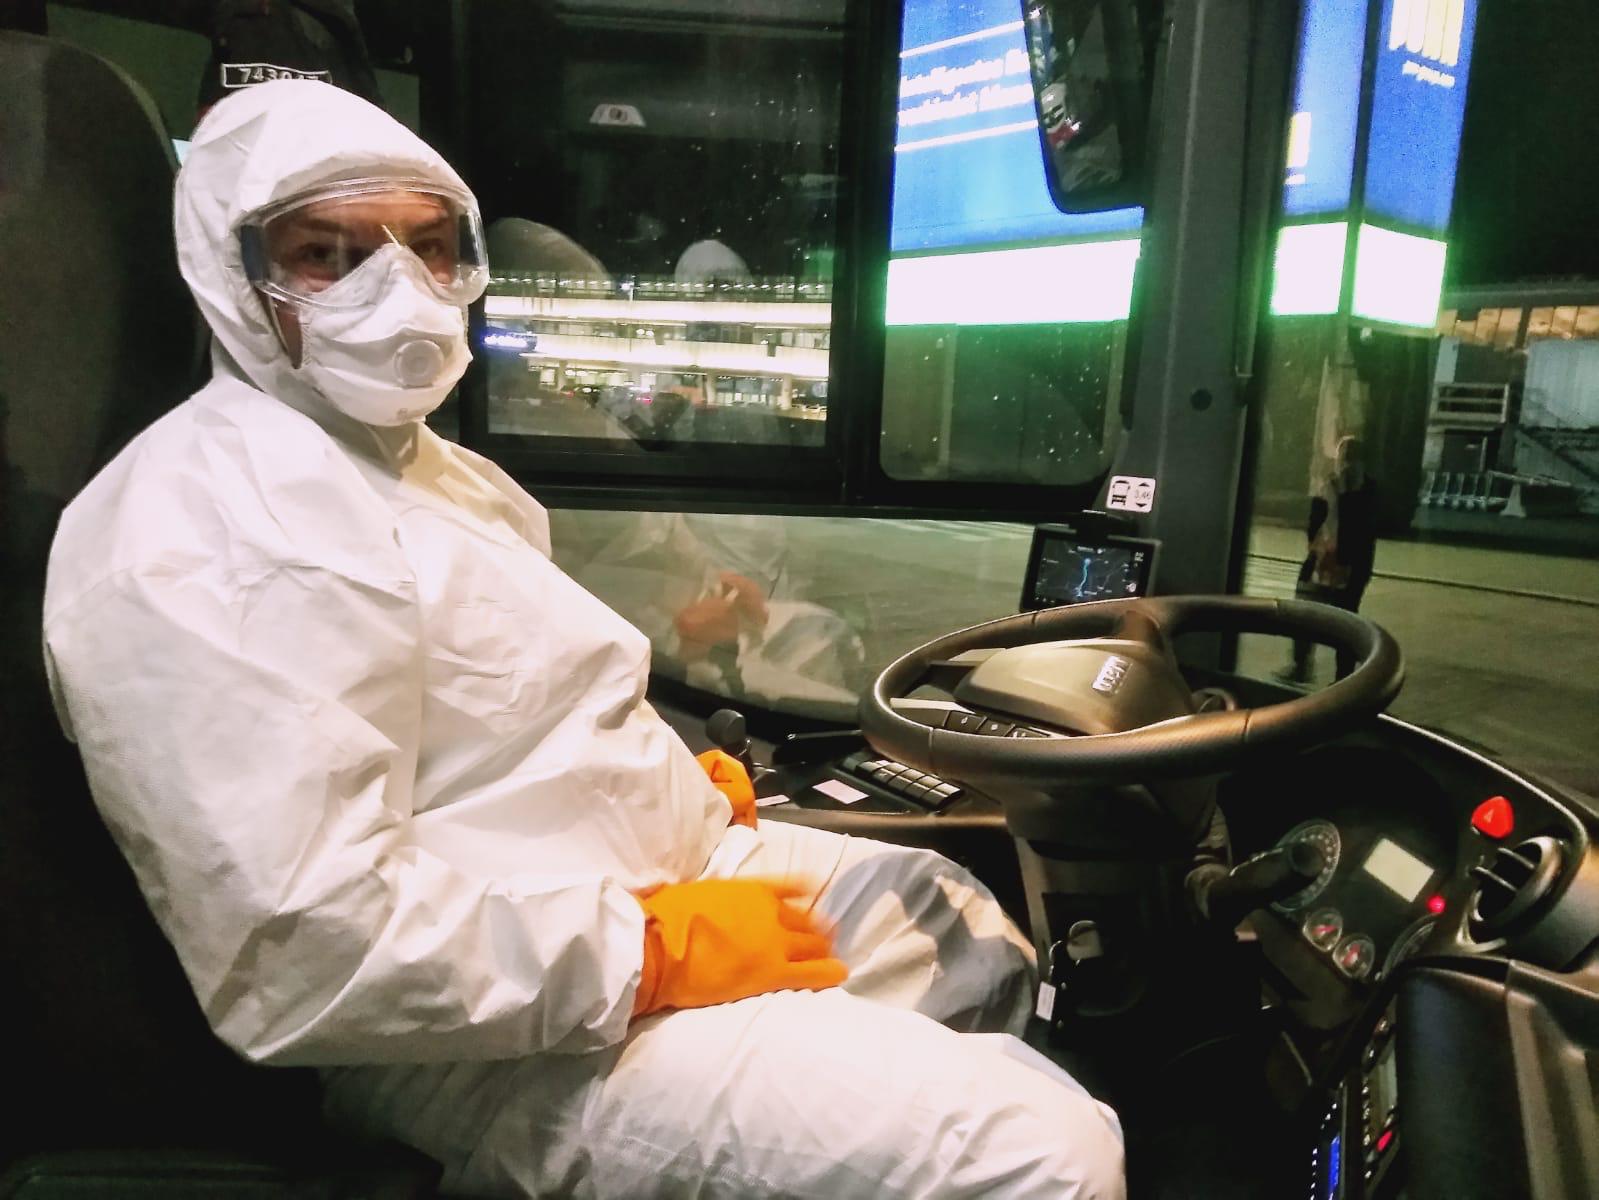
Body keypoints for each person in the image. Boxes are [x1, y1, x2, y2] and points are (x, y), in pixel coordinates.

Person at [41, 80, 1123, 1199]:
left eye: (426, 247)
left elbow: (509, 725)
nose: (396, 289)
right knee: (1042, 1154)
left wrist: (669, 791)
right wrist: (646, 952)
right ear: (231, 275)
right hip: (484, 1037)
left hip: (640, 887)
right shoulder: (194, 531)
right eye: (328, 254)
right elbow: (309, 949)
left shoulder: (427, 469)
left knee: (960, 933)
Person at [1284, 435, 1378, 683]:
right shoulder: (1329, 486)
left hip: (1349, 567)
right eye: (1343, 457)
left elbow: (1361, 529)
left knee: (1344, 622)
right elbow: (1314, 523)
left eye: (1350, 458)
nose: (1345, 464)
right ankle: (1302, 665)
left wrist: (1345, 494)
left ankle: (1342, 676)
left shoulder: (1365, 491)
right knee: (1305, 613)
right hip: (1321, 562)